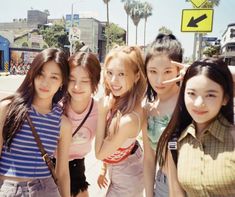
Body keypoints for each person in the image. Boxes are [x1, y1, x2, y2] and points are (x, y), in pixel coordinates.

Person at [157, 57, 235, 197]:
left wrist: (209, 68)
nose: (199, 103)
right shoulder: (175, 141)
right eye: (192, 93)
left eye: (210, 95)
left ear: (225, 98)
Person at [0, 48, 72, 197]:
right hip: (9, 188)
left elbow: (63, 172)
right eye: (41, 74)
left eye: (54, 77)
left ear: (62, 82)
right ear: (32, 74)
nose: (45, 82)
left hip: (46, 189)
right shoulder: (8, 109)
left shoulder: (63, 123)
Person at [95, 46, 147, 197]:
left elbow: (99, 153)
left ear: (137, 76)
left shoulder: (128, 120)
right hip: (125, 167)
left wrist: (101, 114)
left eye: (121, 74)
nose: (113, 80)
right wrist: (104, 169)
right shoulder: (123, 100)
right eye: (109, 72)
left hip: (127, 178)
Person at [142, 33, 186, 197]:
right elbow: (148, 159)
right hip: (163, 185)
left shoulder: (190, 100)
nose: (159, 80)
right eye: (153, 71)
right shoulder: (148, 110)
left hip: (192, 185)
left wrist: (195, 72)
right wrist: (148, 193)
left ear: (178, 70)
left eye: (167, 71)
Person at [61, 52, 101, 197]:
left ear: (95, 82)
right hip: (50, 165)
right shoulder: (57, 106)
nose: (77, 86)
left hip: (77, 165)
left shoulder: (100, 110)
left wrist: (104, 170)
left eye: (85, 81)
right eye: (72, 79)